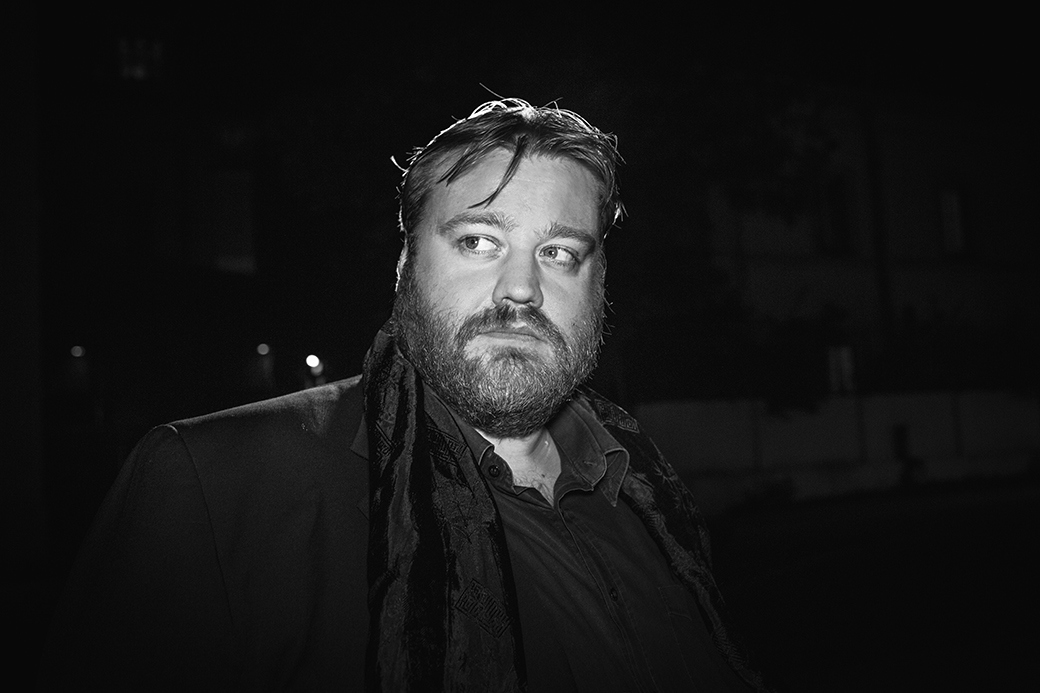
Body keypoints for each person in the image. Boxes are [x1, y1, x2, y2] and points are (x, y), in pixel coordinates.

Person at [40, 99, 769, 691]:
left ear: (598, 285)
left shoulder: (648, 494)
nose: (521, 287)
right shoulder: (214, 486)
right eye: (478, 241)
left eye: (559, 252)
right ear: (404, 269)